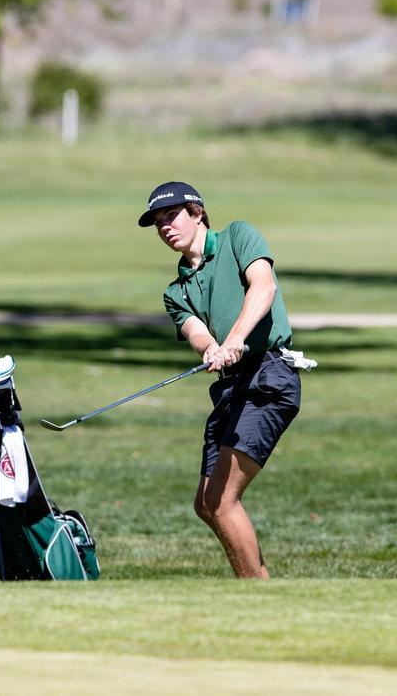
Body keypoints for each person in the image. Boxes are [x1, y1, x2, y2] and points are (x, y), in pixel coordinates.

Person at [138, 181, 304, 579]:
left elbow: (264, 288)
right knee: (206, 503)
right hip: (232, 387)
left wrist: (234, 341)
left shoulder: (238, 237)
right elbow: (197, 333)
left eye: (171, 215)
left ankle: (258, 599)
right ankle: (257, 584)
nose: (165, 227)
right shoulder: (175, 291)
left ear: (197, 213)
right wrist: (213, 348)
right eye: (158, 222)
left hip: (269, 376)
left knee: (222, 499)